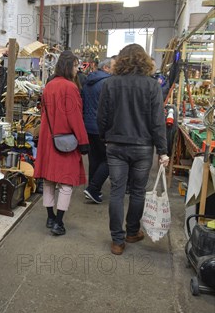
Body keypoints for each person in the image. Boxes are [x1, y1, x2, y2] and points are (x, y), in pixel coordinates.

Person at [97, 44, 169, 255]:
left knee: (117, 192)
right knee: (138, 191)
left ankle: (117, 241)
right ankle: (132, 231)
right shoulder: (152, 85)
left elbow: (102, 116)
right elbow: (158, 121)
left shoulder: (110, 84)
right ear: (144, 61)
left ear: (121, 61)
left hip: (116, 144)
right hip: (143, 147)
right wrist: (162, 150)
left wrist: (104, 137)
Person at [34, 51, 89, 236]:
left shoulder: (49, 85)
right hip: (66, 141)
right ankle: (59, 222)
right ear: (68, 66)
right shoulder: (70, 88)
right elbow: (75, 118)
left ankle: (50, 217)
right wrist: (83, 141)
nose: (77, 69)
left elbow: (43, 112)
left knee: (49, 180)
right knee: (66, 183)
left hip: (48, 139)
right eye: (75, 66)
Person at [81, 57, 114, 203]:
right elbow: (110, 108)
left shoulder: (88, 81)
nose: (115, 69)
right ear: (106, 68)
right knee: (109, 159)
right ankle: (93, 188)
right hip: (101, 127)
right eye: (113, 66)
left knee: (94, 158)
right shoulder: (108, 82)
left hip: (88, 126)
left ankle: (93, 189)